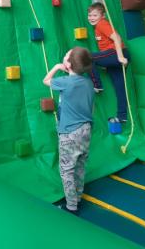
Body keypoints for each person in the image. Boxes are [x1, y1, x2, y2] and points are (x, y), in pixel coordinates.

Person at [43, 47, 94, 215]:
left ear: (69, 64)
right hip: (86, 129)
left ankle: (71, 206)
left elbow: (46, 80)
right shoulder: (88, 82)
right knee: (80, 166)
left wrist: (57, 67)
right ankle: (77, 197)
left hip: (69, 132)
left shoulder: (65, 82)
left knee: (67, 170)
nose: (64, 55)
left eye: (66, 55)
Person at [87, 2, 129, 123]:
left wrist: (120, 57)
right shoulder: (97, 27)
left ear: (103, 16)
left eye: (95, 15)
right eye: (89, 15)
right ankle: (122, 116)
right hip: (113, 56)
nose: (91, 18)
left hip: (117, 53)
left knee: (87, 57)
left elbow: (117, 38)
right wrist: (107, 63)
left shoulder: (102, 24)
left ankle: (97, 85)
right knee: (119, 87)